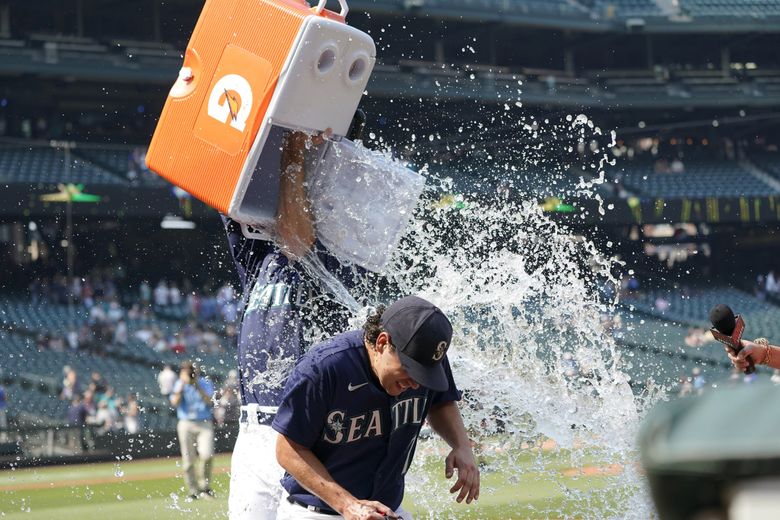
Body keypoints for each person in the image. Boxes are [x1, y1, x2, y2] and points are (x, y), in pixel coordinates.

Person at [227, 124, 366, 519]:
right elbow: (234, 200)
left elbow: (296, 236)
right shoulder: (259, 262)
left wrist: (294, 152)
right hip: (252, 429)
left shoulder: (329, 258)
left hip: (302, 437)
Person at [273, 296, 480, 519]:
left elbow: (441, 401)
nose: (417, 383)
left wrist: (461, 445)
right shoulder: (324, 368)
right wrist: (347, 505)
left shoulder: (427, 361)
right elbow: (288, 449)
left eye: (426, 375)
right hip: (320, 512)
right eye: (411, 369)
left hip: (387, 511)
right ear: (382, 343)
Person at [170, 360, 216, 501]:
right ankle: (193, 490)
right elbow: (174, 403)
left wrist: (196, 385)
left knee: (207, 455)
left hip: (204, 422)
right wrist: (182, 385)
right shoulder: (179, 384)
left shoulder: (204, 382)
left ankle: (205, 487)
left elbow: (210, 401)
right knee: (188, 460)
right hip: (186, 423)